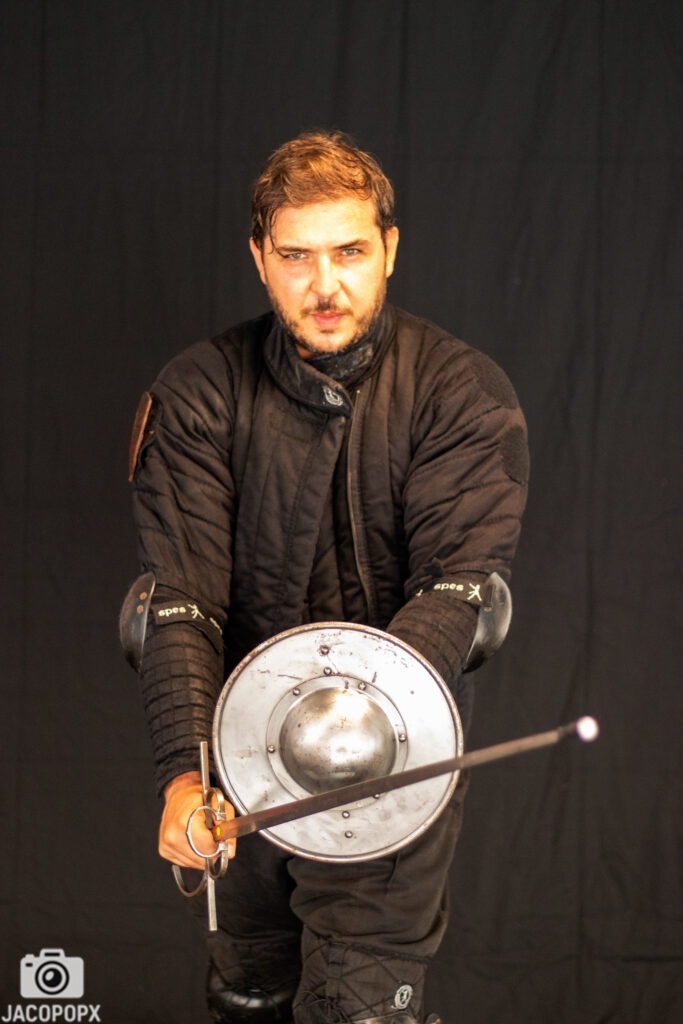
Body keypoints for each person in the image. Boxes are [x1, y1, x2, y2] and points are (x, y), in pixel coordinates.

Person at [123, 130, 529, 1024]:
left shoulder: (461, 392)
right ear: (259, 259)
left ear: (389, 248)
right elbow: (179, 601)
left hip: (391, 766)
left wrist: (355, 726)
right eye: (296, 257)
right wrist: (185, 776)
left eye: (348, 252)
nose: (324, 286)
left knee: (359, 1010)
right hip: (239, 760)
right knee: (248, 996)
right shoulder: (198, 391)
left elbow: (456, 587)